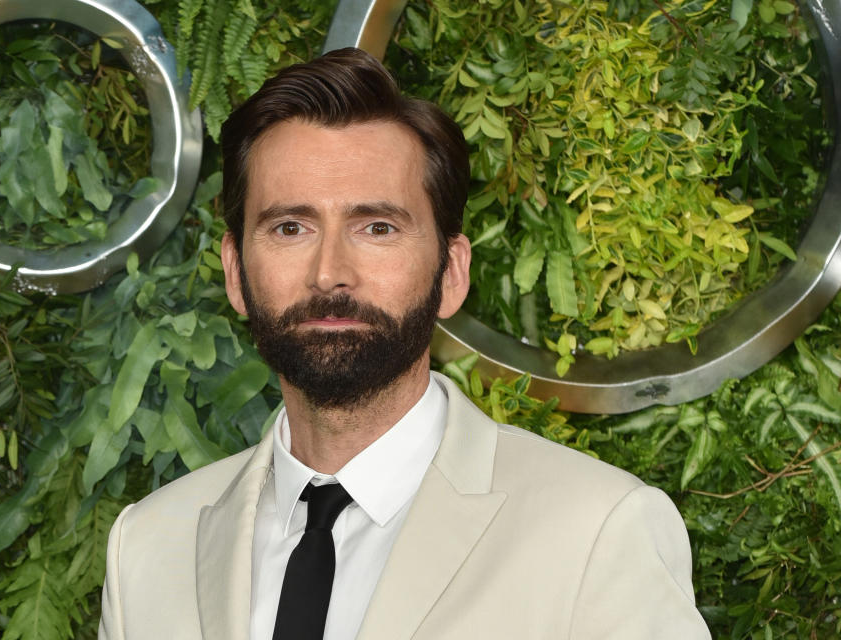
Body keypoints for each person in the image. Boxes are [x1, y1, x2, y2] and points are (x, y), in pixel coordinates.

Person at [97, 47, 711, 640]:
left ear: (451, 273)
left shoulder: (598, 531)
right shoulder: (147, 546)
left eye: (378, 227)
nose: (330, 270)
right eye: (290, 227)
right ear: (235, 272)